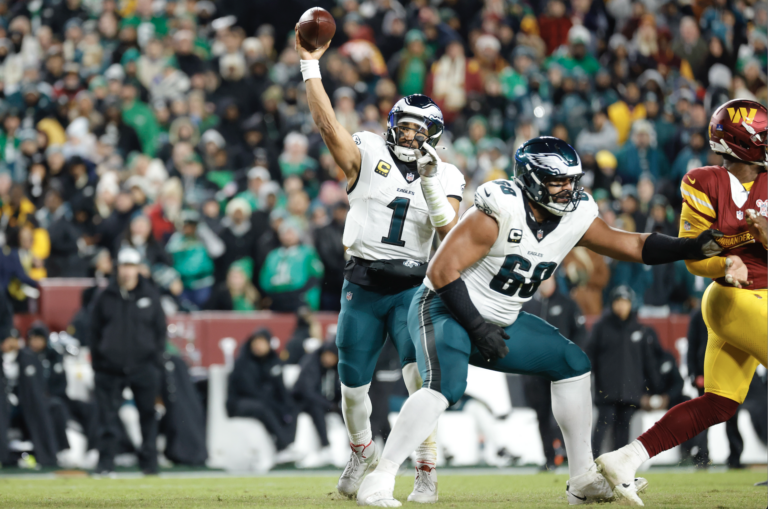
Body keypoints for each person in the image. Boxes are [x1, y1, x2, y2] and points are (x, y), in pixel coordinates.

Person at [356, 136, 722, 506]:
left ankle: (582, 478)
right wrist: (478, 329)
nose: (568, 189)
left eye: (571, 180)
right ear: (532, 180)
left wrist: (689, 247)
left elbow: (632, 245)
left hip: (502, 318)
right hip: (444, 308)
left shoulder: (575, 215)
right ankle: (381, 477)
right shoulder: (498, 212)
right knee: (445, 386)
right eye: (558, 181)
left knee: (572, 363)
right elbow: (441, 272)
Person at [296, 24, 465, 501]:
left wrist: (430, 182)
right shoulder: (369, 152)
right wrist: (310, 66)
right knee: (352, 387)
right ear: (392, 125)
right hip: (363, 284)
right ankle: (361, 451)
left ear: (433, 136)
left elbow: (451, 233)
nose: (409, 134)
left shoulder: (447, 174)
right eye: (404, 125)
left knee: (419, 381)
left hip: (414, 288)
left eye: (418, 129)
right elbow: (328, 127)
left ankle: (426, 468)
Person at [596, 99, 768, 505]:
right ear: (740, 143)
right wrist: (724, 262)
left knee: (719, 403)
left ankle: (624, 458)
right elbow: (693, 257)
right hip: (734, 298)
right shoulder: (704, 182)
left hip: (755, 299)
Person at [90, 247, 167, 475]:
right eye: (124, 266)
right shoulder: (105, 296)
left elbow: (160, 331)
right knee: (107, 418)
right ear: (118, 268)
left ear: (138, 268)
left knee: (148, 416)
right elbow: (93, 331)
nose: (127, 271)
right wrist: (99, 362)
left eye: (131, 266)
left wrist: (155, 360)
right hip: (110, 367)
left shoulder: (150, 295)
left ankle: (150, 464)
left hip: (144, 365)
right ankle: (105, 463)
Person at [586, 286, 660, 459]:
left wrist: (654, 388)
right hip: (606, 389)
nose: (621, 306)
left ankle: (618, 465)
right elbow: (589, 356)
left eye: (625, 302)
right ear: (612, 303)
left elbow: (648, 362)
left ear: (631, 304)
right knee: (602, 426)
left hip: (630, 391)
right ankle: (591, 462)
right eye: (618, 301)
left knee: (623, 429)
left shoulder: (640, 329)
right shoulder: (601, 328)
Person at [521, 276, 586, 471]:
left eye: (547, 277)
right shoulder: (529, 306)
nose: (543, 282)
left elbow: (581, 334)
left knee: (566, 414)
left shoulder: (567, 304)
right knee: (542, 415)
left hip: (561, 371)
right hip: (536, 372)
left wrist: (571, 358)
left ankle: (571, 454)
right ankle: (550, 457)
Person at [226, 328, 297, 462]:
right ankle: (283, 446)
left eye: (261, 342)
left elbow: (280, 388)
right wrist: (275, 405)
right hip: (239, 403)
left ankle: (289, 444)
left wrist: (285, 405)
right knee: (263, 408)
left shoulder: (273, 361)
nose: (258, 346)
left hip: (265, 401)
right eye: (255, 342)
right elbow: (249, 390)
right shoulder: (243, 362)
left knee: (291, 406)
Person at [292, 340, 342, 467]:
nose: (329, 359)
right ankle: (325, 446)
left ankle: (352, 449)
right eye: (327, 355)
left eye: (332, 356)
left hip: (325, 402)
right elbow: (307, 392)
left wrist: (337, 404)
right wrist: (330, 405)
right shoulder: (311, 364)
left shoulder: (336, 368)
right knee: (317, 408)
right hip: (302, 402)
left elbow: (338, 390)